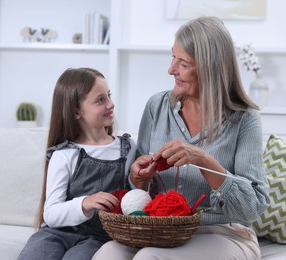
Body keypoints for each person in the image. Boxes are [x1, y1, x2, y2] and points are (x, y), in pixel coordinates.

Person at [92, 16, 270, 260]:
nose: (171, 69)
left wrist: (204, 160)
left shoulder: (245, 119)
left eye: (183, 63)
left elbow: (253, 207)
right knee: (106, 255)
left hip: (223, 233)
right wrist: (138, 177)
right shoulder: (157, 106)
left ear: (209, 68)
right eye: (172, 56)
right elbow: (137, 193)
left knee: (148, 258)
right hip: (159, 230)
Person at [18, 68, 137, 260]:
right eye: (100, 100)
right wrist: (84, 203)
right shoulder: (64, 154)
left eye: (109, 95)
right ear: (76, 112)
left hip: (98, 237)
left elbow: (135, 195)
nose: (111, 103)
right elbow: (51, 214)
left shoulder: (127, 148)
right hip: (55, 233)